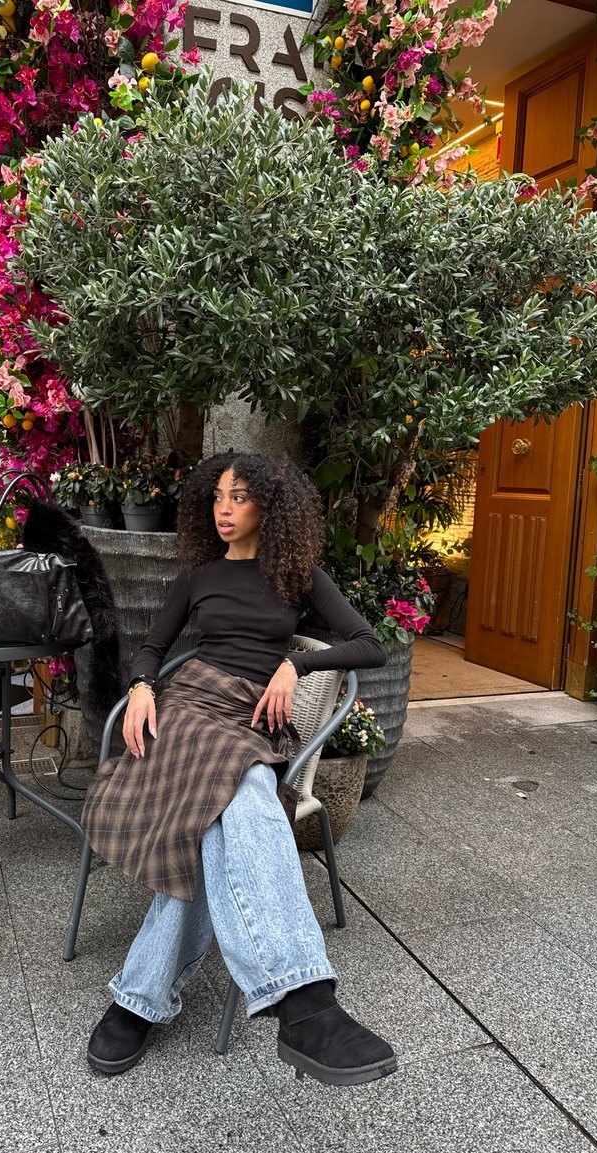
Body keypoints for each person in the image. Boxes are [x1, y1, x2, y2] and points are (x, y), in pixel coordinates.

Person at [81, 453, 397, 1086]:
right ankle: (305, 1004)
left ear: (269, 508)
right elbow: (152, 647)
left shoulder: (298, 578)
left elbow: (370, 646)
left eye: (240, 497)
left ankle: (137, 1000)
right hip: (190, 709)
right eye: (217, 497)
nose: (224, 510)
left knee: (220, 818)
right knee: (249, 787)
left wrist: (297, 665)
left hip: (250, 719)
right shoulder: (199, 575)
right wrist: (141, 686)